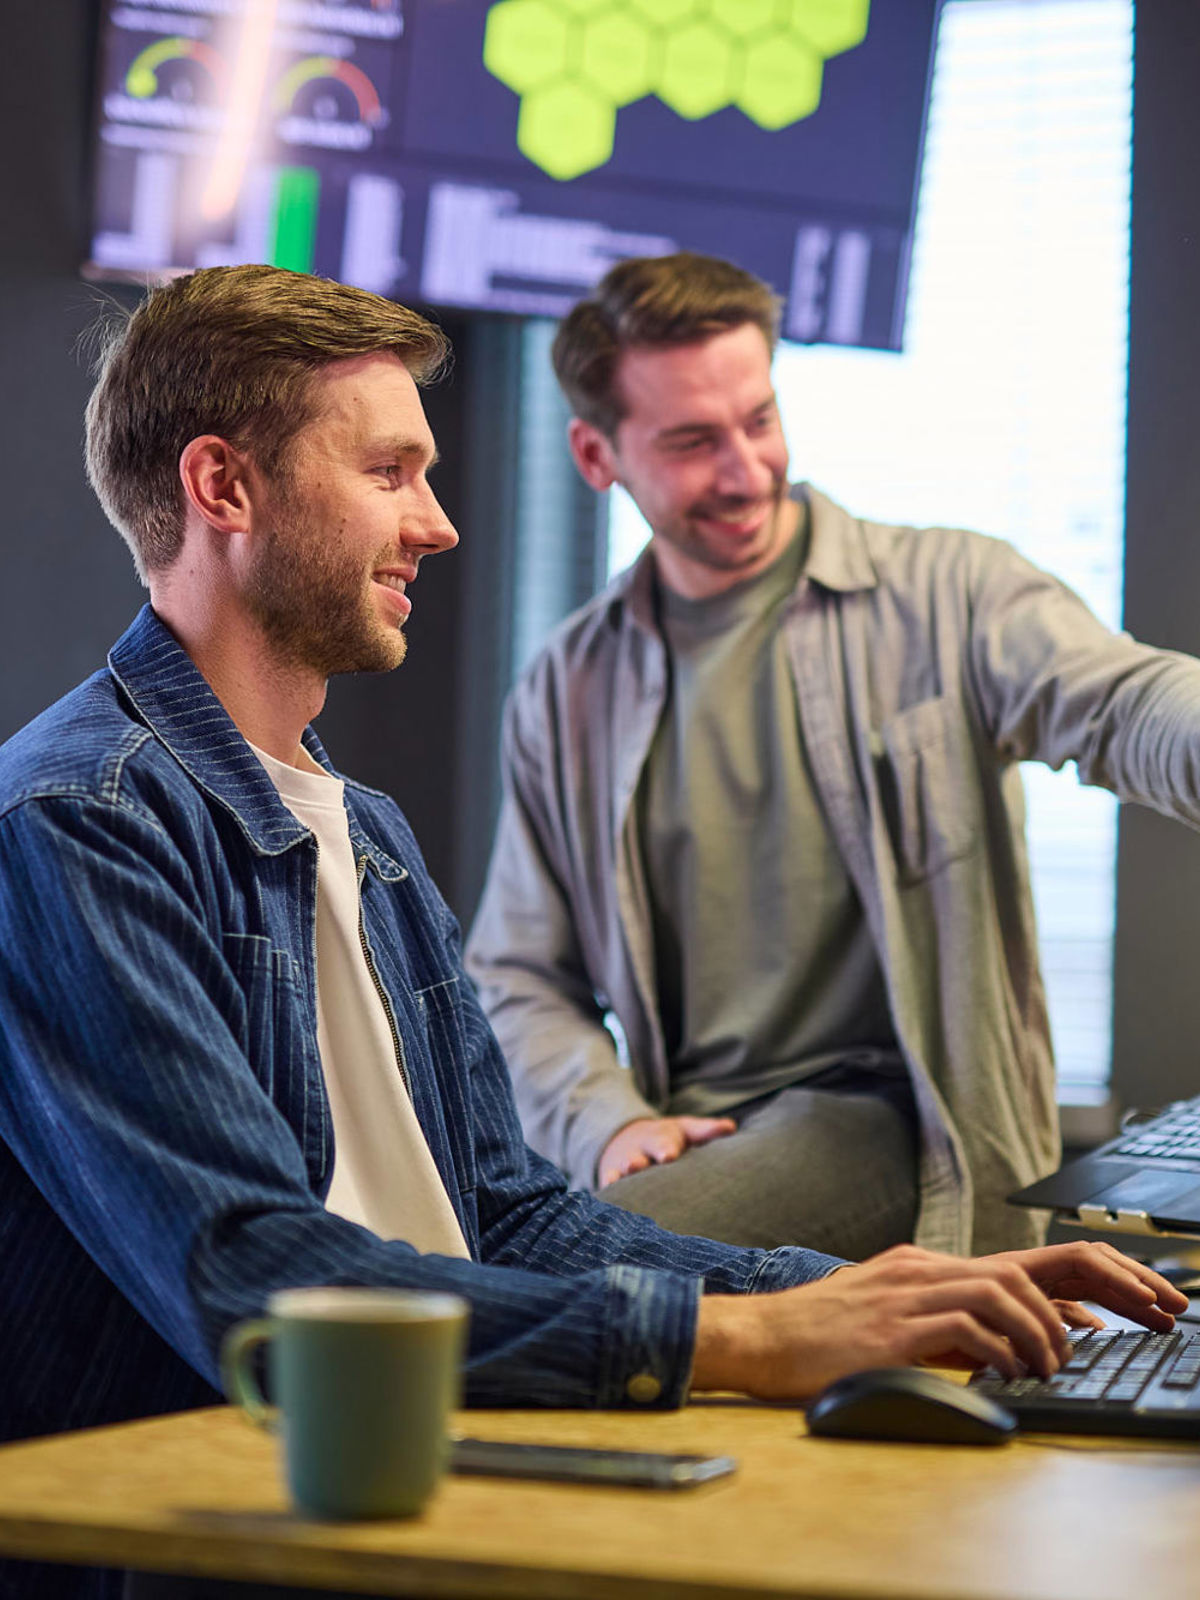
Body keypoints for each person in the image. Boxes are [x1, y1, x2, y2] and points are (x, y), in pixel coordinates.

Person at [0, 265, 1183, 1600]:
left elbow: (507, 1213)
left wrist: (844, 1297)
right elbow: (259, 1284)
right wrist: (741, 1333)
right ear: (225, 488)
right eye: (390, 470)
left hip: (444, 1466)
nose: (440, 525)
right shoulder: (70, 820)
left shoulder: (367, 834)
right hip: (233, 1534)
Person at [465, 250, 1200, 1261]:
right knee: (500, 1246)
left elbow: (1122, 700)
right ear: (597, 457)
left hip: (892, 1123)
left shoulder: (953, 590)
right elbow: (519, 974)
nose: (745, 469)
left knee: (573, 1268)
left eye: (758, 420)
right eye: (691, 441)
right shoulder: (569, 683)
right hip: (701, 1141)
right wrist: (609, 1121)